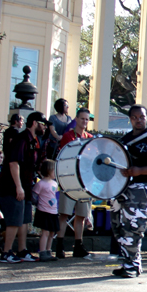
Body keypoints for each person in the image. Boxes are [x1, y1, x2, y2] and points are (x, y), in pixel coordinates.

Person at [112, 105, 147, 278]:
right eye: (135, 117)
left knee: (134, 227)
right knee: (119, 227)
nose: (138, 120)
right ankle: (128, 263)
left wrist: (139, 171)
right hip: (123, 188)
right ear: (130, 119)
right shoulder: (124, 139)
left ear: (146, 118)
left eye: (141, 116)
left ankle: (133, 266)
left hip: (141, 189)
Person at [0, 111, 48, 263]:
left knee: (24, 219)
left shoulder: (34, 140)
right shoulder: (22, 139)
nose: (44, 127)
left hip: (25, 185)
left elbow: (32, 164)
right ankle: (6, 252)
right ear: (34, 123)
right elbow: (13, 163)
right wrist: (18, 187)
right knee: (14, 220)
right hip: (12, 186)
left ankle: (22, 250)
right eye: (42, 124)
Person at [56, 108, 94, 259]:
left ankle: (78, 245)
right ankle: (59, 245)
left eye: (87, 119)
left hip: (84, 181)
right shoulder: (68, 136)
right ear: (76, 119)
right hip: (69, 179)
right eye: (82, 119)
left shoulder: (90, 137)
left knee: (81, 215)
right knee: (64, 213)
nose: (85, 122)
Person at [32, 159, 59, 262]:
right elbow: (34, 196)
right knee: (45, 232)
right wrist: (38, 204)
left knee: (52, 233)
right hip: (44, 211)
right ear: (48, 170)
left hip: (53, 211)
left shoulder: (55, 184)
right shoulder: (41, 183)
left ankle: (48, 250)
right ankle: (42, 252)